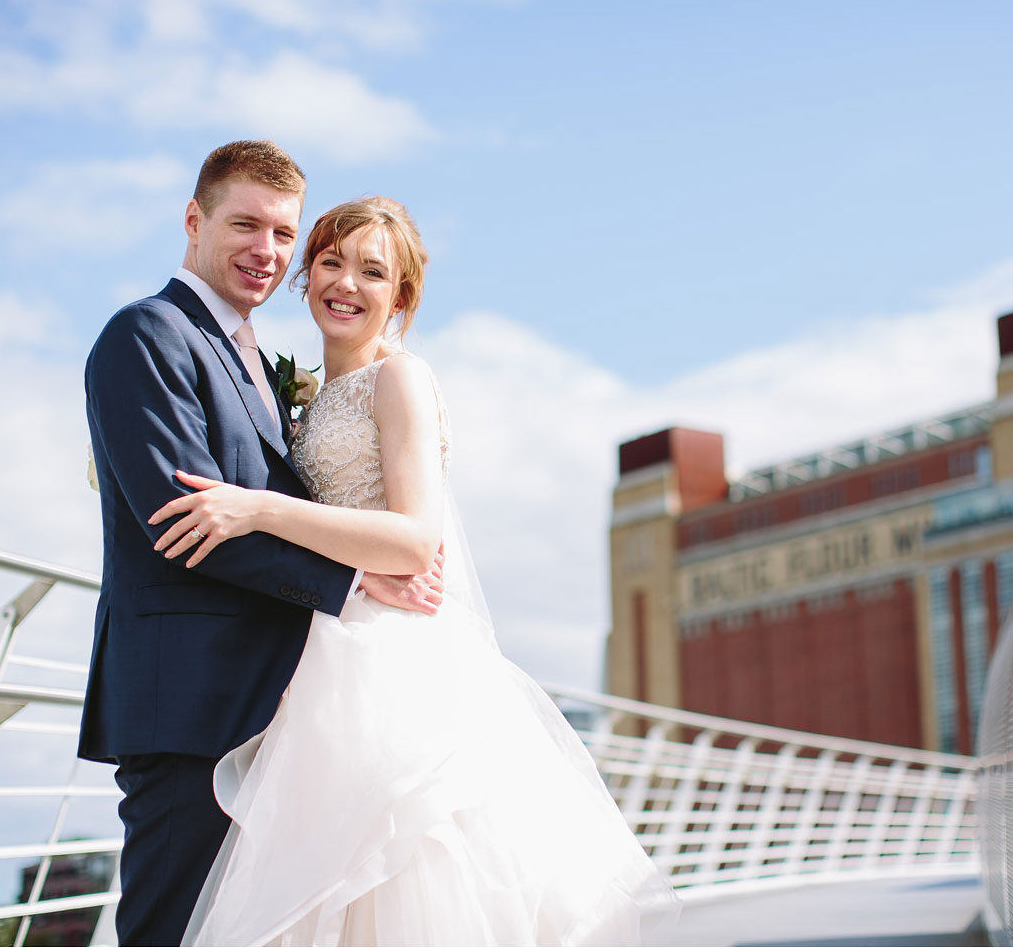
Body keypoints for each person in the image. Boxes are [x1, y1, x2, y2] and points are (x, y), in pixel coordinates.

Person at [148, 197, 678, 945]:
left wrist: (259, 509)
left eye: (373, 271)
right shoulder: (305, 395)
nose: (347, 283)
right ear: (306, 276)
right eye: (332, 261)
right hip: (322, 655)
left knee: (408, 875)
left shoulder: (399, 379)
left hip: (391, 666)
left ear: (400, 298)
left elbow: (413, 539)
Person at [81, 141, 444, 947]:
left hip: (275, 710)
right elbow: (190, 520)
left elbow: (263, 506)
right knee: (172, 930)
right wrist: (355, 581)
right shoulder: (148, 334)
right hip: (191, 704)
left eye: (283, 235)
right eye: (245, 224)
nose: (266, 252)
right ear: (193, 220)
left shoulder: (253, 363)